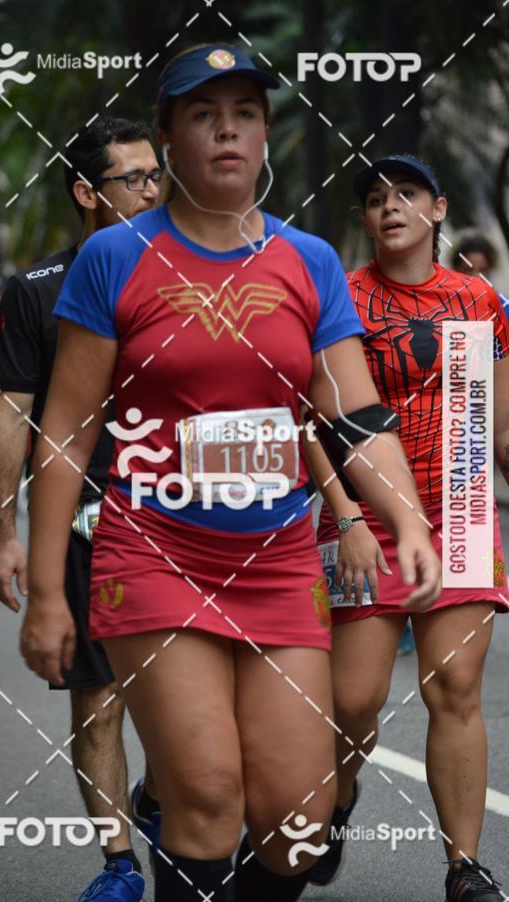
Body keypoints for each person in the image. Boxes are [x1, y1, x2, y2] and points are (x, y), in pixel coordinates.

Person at [22, 46, 441, 902]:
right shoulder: (115, 257)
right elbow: (66, 432)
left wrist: (408, 520)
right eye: (204, 114)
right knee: (209, 799)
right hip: (153, 550)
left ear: (265, 134)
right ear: (169, 135)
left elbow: (356, 414)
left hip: (278, 560)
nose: (227, 130)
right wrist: (44, 590)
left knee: (296, 825)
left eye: (245, 113)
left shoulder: (308, 260)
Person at [312, 155, 509, 901]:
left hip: (462, 511)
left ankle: (464, 868)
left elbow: (501, 425)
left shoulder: (480, 301)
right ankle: (336, 800)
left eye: (406, 194)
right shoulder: (340, 299)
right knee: (354, 699)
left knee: (455, 688)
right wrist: (346, 516)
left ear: (438, 209)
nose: (389, 206)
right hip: (365, 517)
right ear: (366, 219)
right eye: (374, 198)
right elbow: (315, 422)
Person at [0, 116, 160, 901]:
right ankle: (119, 864)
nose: (152, 191)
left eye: (157, 176)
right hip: (91, 517)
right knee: (100, 698)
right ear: (88, 193)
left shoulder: (196, 277)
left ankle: (160, 795)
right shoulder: (37, 290)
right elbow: (10, 411)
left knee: (192, 694)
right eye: (134, 179)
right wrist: (6, 532)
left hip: (190, 517)